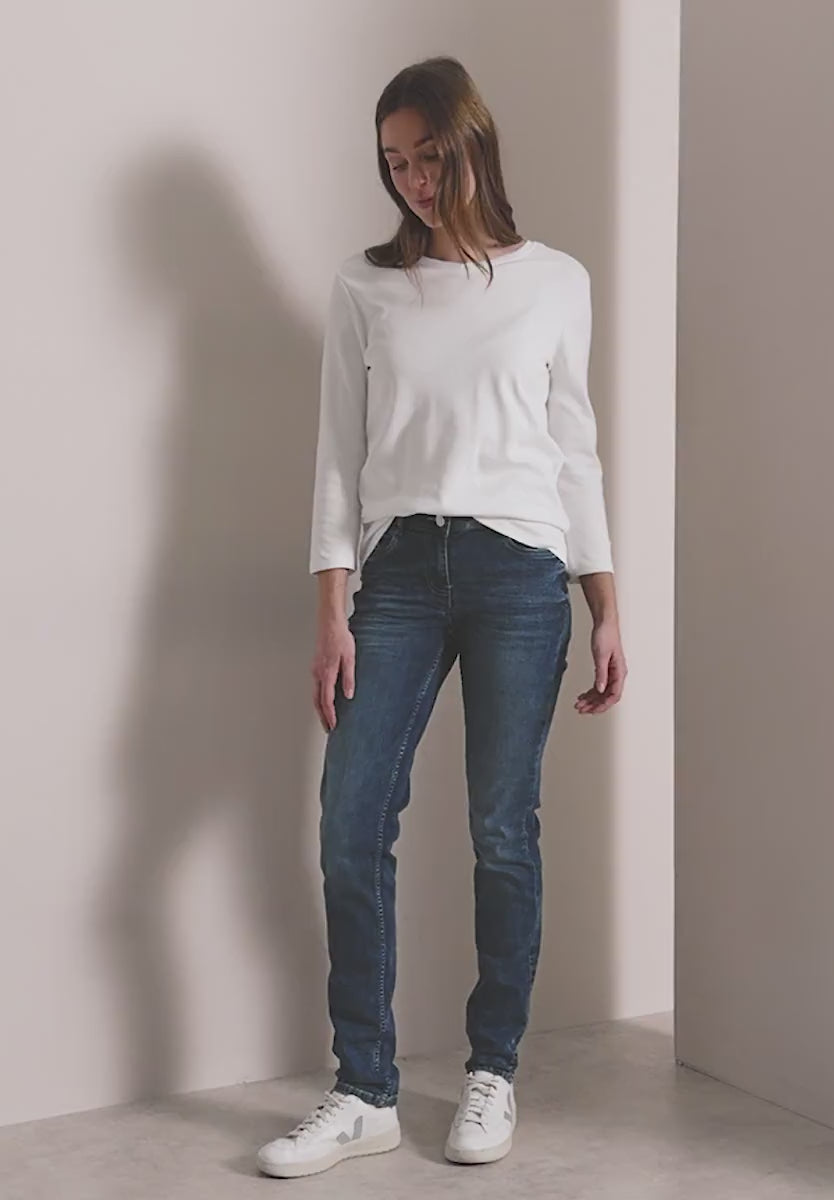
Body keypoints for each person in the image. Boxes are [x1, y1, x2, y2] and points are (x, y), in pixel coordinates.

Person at [257, 54, 627, 1180]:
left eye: (427, 155)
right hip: (402, 572)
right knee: (350, 818)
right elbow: (337, 459)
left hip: (522, 573)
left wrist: (606, 604)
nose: (413, 179)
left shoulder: (556, 280)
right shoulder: (365, 286)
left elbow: (574, 449)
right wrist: (332, 613)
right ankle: (364, 1089)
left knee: (502, 828)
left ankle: (492, 1070)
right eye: (394, 162)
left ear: (473, 146)